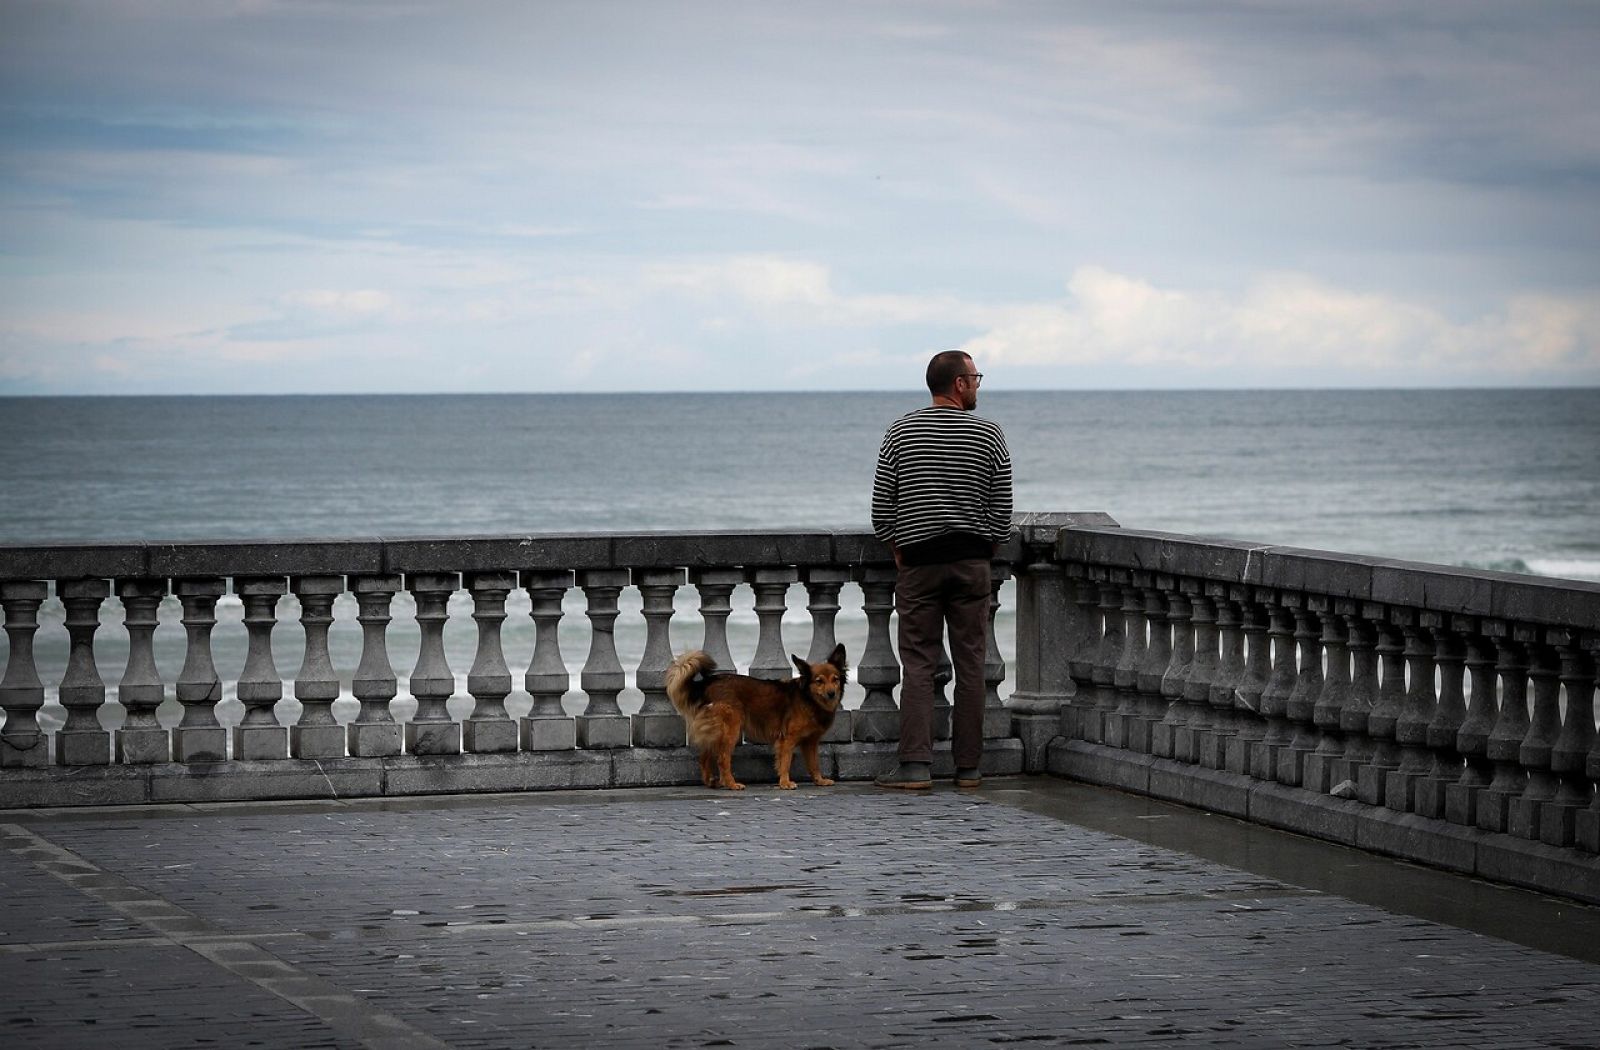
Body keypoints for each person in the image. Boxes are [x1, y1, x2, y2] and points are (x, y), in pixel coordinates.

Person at [870, 349, 1014, 789]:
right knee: (971, 664)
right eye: (975, 377)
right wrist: (980, 545)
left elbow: (881, 510)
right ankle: (968, 767)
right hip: (971, 565)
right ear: (958, 384)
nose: (977, 385)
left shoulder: (901, 432)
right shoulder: (989, 435)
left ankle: (915, 766)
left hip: (918, 565)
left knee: (918, 664)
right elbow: (1001, 515)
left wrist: (899, 545)